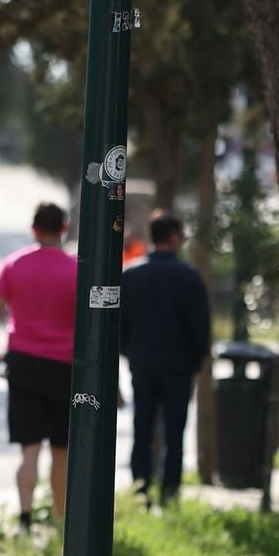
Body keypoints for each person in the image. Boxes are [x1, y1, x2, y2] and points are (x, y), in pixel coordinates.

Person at [0, 202, 77, 530]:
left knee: (29, 449)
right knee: (61, 450)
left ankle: (24, 518)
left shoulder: (14, 265)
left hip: (22, 362)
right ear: (63, 229)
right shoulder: (76, 269)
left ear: (33, 229)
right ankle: (59, 518)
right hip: (64, 366)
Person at [120, 212, 211, 507]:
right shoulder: (189, 276)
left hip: (142, 364)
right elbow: (200, 327)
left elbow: (120, 323)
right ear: (173, 237)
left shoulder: (131, 274)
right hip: (179, 367)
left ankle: (140, 491)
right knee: (175, 434)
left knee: (142, 431)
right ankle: (170, 495)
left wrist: (130, 351)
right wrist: (197, 360)